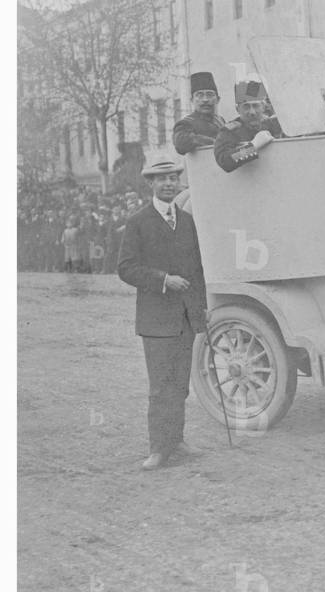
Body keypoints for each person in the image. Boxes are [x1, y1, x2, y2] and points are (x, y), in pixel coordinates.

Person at [117, 157, 208, 471]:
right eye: (162, 179)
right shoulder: (138, 222)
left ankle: (177, 441)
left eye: (173, 178)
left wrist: (201, 309)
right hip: (156, 320)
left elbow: (197, 269)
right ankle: (158, 448)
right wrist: (163, 280)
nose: (169, 183)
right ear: (151, 184)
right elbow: (126, 268)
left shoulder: (186, 220)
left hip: (185, 319)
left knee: (181, 384)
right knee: (160, 387)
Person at [214, 81, 284, 173]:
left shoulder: (275, 125)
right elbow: (224, 161)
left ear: (263, 107)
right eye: (246, 106)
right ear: (237, 109)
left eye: (256, 106)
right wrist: (253, 146)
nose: (252, 112)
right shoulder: (230, 131)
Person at [173, 72, 226, 155]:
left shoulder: (220, 120)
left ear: (218, 99)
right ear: (192, 100)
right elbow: (180, 142)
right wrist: (214, 143)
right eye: (200, 95)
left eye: (209, 94)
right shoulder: (186, 123)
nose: (205, 99)